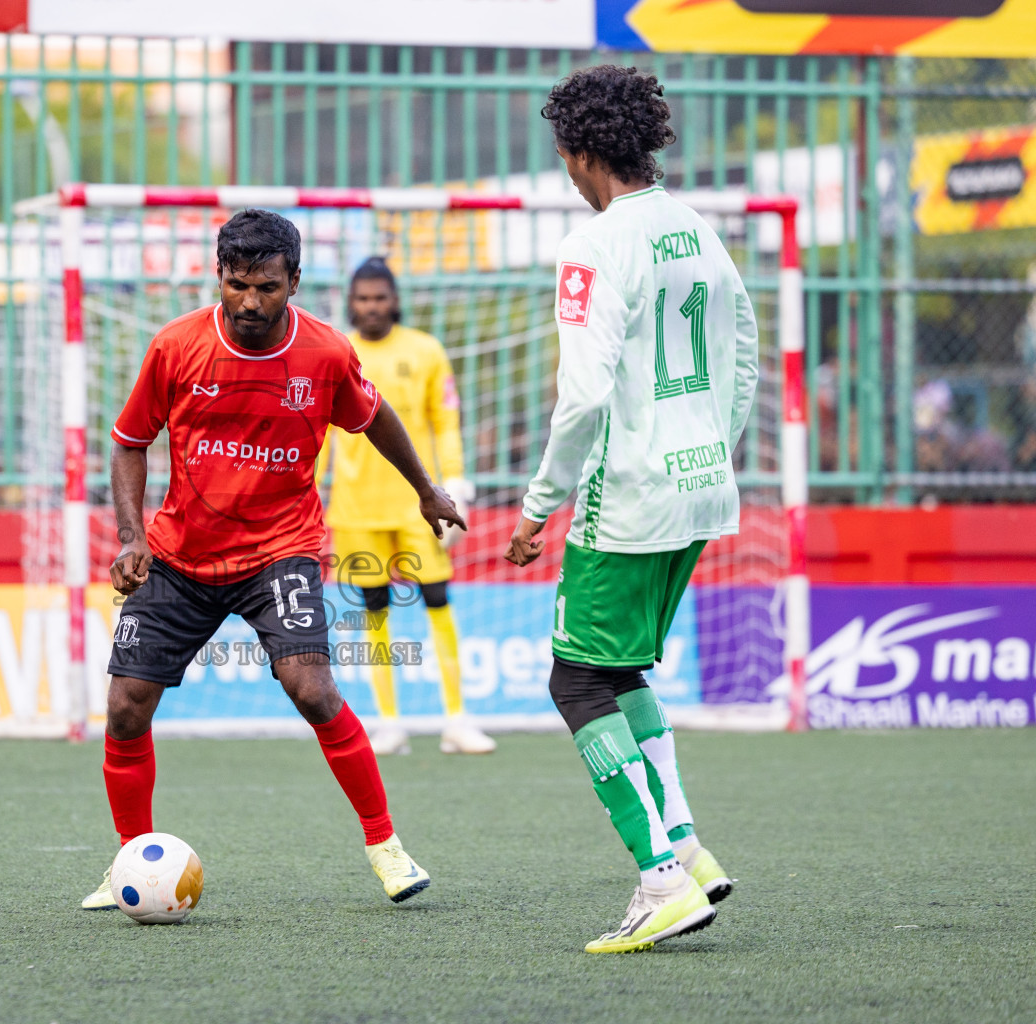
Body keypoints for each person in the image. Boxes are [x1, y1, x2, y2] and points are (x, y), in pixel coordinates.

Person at [83, 209, 466, 911]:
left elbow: (372, 416)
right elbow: (129, 440)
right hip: (179, 555)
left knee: (314, 689)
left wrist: (426, 489)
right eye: (236, 285)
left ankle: (385, 846)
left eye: (265, 286)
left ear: (294, 280)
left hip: (278, 550)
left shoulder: (324, 352)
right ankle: (129, 861)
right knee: (124, 710)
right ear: (218, 277)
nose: (250, 302)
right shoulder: (175, 347)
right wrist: (131, 537)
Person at [505, 65, 758, 954]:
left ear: (581, 154)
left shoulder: (597, 244)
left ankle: (659, 881)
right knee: (619, 672)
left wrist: (538, 508)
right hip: (699, 488)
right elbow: (745, 354)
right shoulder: (699, 228)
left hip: (632, 495)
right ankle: (687, 848)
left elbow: (581, 399)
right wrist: (706, 449)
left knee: (573, 680)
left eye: (565, 158)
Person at [321, 257, 495, 756]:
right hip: (355, 507)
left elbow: (445, 421)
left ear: (394, 300)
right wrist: (306, 491)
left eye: (379, 297)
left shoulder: (425, 351)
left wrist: (455, 482)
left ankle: (457, 718)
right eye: (363, 298)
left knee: (437, 599)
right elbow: (317, 433)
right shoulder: (336, 352)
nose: (371, 306)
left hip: (419, 505)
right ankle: (389, 721)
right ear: (351, 302)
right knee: (373, 612)